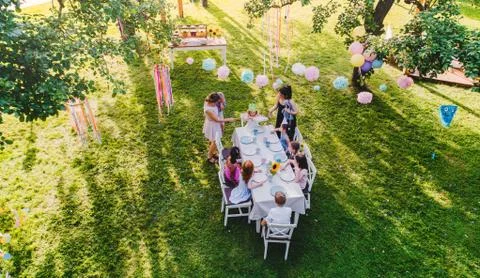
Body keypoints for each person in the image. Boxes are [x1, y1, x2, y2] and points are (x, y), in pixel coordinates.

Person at [203, 92, 236, 164]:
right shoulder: (208, 110)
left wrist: (222, 100)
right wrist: (228, 119)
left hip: (213, 124)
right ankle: (209, 157)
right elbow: (217, 120)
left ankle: (213, 152)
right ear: (213, 101)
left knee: (213, 140)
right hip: (213, 125)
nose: (216, 105)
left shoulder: (208, 100)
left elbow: (220, 96)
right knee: (215, 141)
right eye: (216, 103)